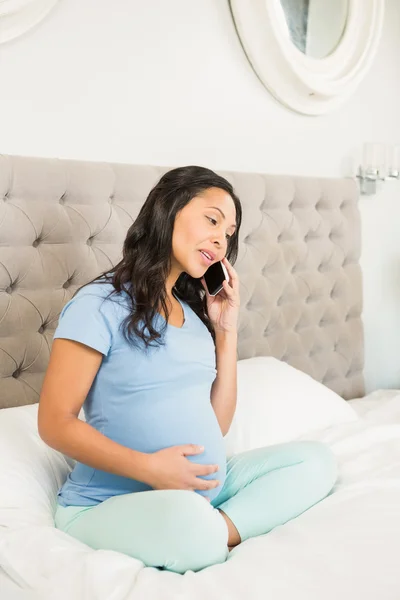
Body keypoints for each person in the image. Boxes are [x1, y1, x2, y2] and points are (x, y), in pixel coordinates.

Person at [38, 166, 337, 574]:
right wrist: (151, 469)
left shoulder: (196, 320)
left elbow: (218, 423)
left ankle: (219, 530)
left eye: (229, 232)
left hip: (200, 493)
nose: (220, 238)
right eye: (212, 220)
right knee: (190, 525)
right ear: (168, 209)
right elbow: (54, 423)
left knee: (315, 462)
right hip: (107, 505)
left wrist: (225, 329)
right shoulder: (98, 304)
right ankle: (210, 529)